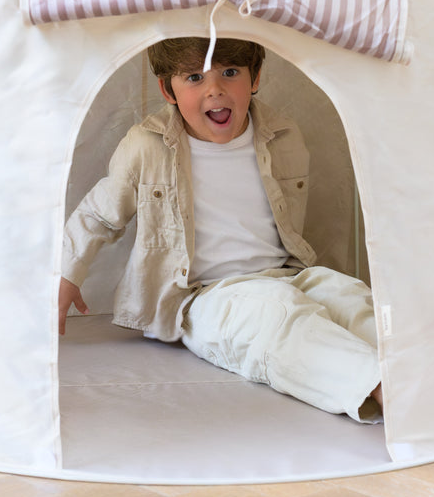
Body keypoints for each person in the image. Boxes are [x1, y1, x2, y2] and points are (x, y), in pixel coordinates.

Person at [59, 36, 382, 422]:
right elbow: (99, 214)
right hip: (204, 296)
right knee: (277, 318)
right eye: (194, 78)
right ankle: (385, 388)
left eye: (230, 73)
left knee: (349, 296)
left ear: (255, 77)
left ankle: (427, 370)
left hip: (288, 274)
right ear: (168, 90)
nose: (215, 90)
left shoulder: (283, 136)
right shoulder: (147, 146)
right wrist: (65, 274)